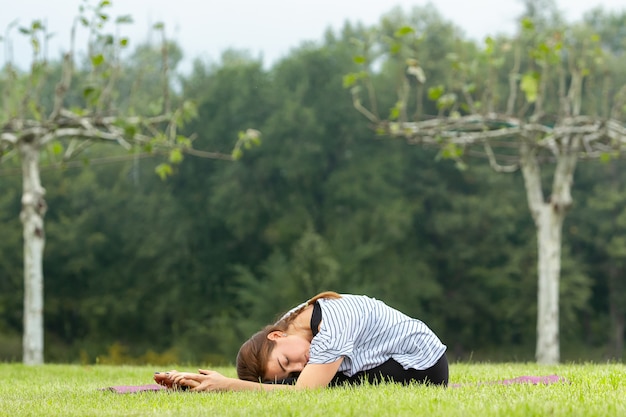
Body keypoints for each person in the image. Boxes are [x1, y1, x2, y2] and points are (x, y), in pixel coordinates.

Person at [154, 291, 448, 391]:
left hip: (420, 367)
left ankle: (213, 386)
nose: (298, 364)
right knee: (279, 387)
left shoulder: (331, 325)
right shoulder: (294, 321)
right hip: (385, 361)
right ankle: (197, 384)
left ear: (276, 336)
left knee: (302, 389)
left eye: (286, 361)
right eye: (291, 368)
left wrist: (227, 385)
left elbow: (303, 394)